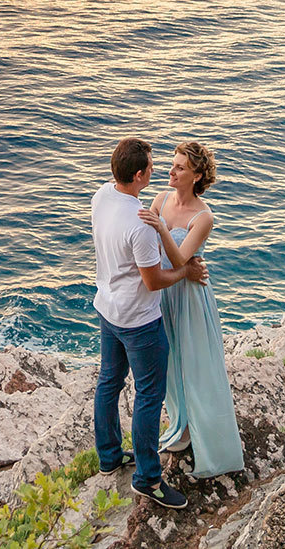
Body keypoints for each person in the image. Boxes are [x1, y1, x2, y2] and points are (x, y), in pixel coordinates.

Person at [92, 136, 206, 510]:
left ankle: (109, 457)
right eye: (155, 168)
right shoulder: (140, 224)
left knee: (109, 382)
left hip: (107, 308)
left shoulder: (101, 197)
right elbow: (154, 281)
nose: (160, 172)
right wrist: (186, 272)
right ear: (139, 175)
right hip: (139, 321)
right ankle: (147, 479)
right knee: (149, 396)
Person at [139, 142, 244, 478]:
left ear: (196, 176)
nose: (171, 171)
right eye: (172, 165)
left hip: (189, 295)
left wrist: (160, 227)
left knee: (196, 365)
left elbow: (182, 258)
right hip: (164, 292)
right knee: (168, 363)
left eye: (180, 168)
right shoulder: (159, 200)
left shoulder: (204, 216)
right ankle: (181, 426)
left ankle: (208, 438)